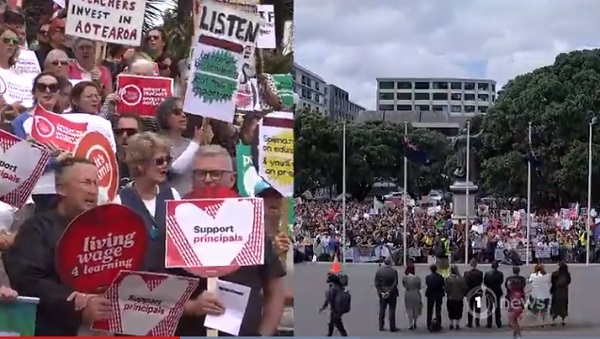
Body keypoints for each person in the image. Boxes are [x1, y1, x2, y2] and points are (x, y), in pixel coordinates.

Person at [176, 144, 287, 336]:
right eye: (201, 174)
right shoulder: (175, 222)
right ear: (192, 179)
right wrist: (192, 306)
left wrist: (265, 333)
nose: (208, 180)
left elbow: (274, 289)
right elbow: (159, 294)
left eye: (216, 173)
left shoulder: (250, 224)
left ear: (232, 179)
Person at [3, 157, 112, 335]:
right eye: (86, 183)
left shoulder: (103, 229)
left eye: (95, 184)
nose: (93, 191)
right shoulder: (37, 229)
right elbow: (28, 280)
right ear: (61, 189)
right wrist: (74, 301)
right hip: (51, 327)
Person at [156, 98, 202, 196]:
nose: (183, 115)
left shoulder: (190, 144)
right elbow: (175, 169)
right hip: (168, 201)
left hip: (191, 201)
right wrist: (196, 142)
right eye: (177, 112)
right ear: (165, 116)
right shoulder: (157, 143)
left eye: (184, 112)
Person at [114, 114, 141, 185]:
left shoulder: (151, 165)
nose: (124, 136)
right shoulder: (107, 163)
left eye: (131, 132)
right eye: (119, 132)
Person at [374, 257, 398, 332]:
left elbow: (376, 283)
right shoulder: (394, 271)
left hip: (382, 293)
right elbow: (395, 283)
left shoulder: (379, 271)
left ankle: (381, 326)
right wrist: (389, 291)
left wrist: (381, 292)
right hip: (392, 293)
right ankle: (392, 327)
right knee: (392, 310)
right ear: (390, 263)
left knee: (382, 309)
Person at [505, 266, 526, 339]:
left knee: (513, 316)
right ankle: (516, 334)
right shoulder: (522, 279)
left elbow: (506, 286)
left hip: (511, 298)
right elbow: (523, 286)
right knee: (516, 317)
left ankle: (517, 334)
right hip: (520, 297)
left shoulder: (509, 279)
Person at [445, 264, 468, 330]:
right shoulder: (461, 279)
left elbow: (446, 288)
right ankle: (457, 324)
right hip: (459, 297)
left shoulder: (448, 279)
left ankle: (451, 324)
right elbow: (465, 288)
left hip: (451, 297)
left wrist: (448, 293)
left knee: (451, 311)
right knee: (458, 311)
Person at [402, 261, 422, 330]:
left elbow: (404, 285)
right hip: (416, 293)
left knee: (409, 309)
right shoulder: (417, 278)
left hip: (408, 293)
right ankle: (415, 322)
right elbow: (419, 286)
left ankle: (410, 323)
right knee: (416, 309)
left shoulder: (405, 278)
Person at [463, 259, 484, 328]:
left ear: (470, 264)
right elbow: (481, 281)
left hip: (470, 293)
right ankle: (477, 322)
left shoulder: (467, 273)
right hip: (478, 292)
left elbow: (465, 283)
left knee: (470, 308)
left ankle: (470, 323)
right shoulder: (480, 273)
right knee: (478, 307)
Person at [483, 261, 504, 328]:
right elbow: (501, 282)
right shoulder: (500, 274)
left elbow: (485, 282)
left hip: (489, 291)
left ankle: (489, 323)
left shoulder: (487, 274)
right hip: (497, 291)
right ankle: (498, 322)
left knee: (489, 307)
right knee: (497, 308)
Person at [425, 264, 445, 331]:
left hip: (430, 294)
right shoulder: (440, 277)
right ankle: (439, 324)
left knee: (429, 310)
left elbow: (427, 284)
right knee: (438, 309)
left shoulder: (428, 277)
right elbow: (443, 284)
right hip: (439, 294)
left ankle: (428, 324)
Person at [550, 261, 571, 326]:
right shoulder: (567, 274)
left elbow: (552, 282)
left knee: (555, 305)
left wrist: (552, 289)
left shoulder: (555, 274)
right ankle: (563, 319)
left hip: (556, 291)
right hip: (564, 290)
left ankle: (553, 319)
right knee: (564, 304)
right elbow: (569, 281)